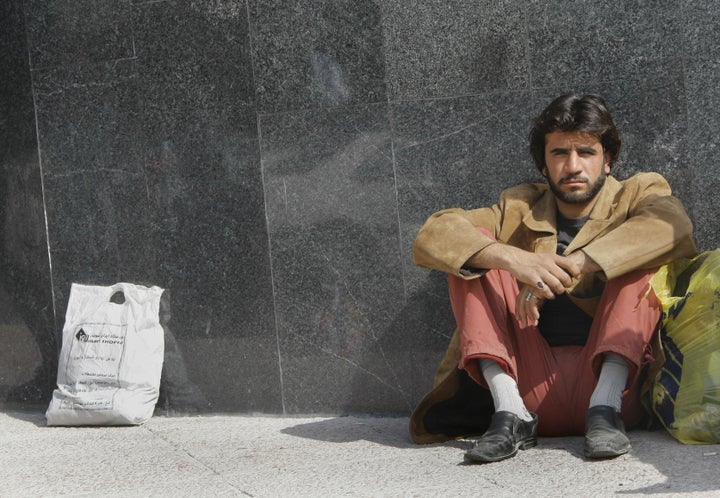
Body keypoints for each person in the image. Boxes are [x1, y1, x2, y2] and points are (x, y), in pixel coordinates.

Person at [409, 94, 697, 463]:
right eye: (559, 153)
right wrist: (516, 260)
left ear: (608, 160)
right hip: (529, 385)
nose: (573, 166)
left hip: (617, 388)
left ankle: (603, 410)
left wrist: (577, 262)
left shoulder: (638, 193)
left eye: (586, 153)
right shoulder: (519, 206)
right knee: (472, 253)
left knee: (643, 258)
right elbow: (435, 233)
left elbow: (674, 228)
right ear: (543, 165)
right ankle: (510, 413)